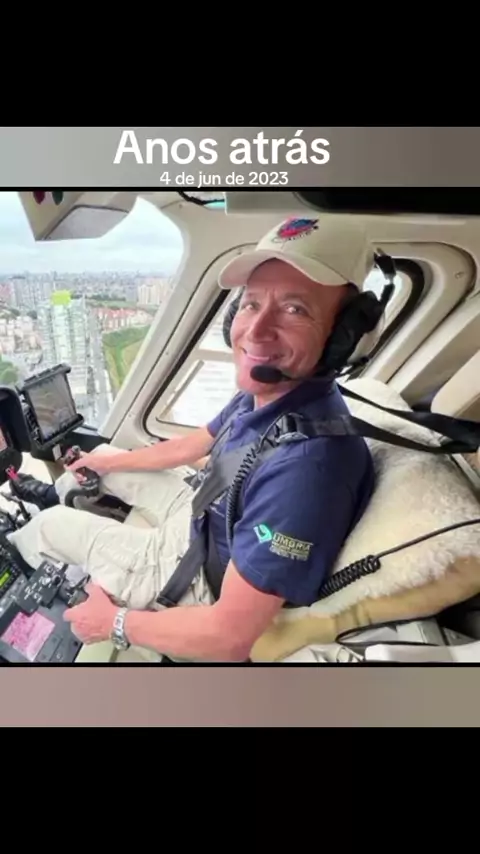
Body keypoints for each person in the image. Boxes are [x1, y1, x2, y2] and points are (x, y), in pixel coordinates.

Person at [6, 215, 377, 662]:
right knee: (99, 455)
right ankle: (50, 495)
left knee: (48, 528)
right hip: (207, 511)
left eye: (295, 309)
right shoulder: (273, 392)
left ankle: (21, 552)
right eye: (251, 304)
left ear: (343, 337)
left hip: (196, 571)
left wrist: (112, 623)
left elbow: (228, 636)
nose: (255, 331)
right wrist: (104, 463)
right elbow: (192, 445)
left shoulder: (308, 473)